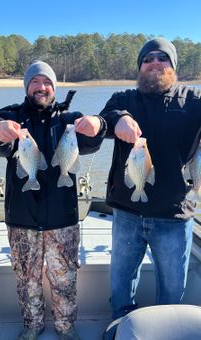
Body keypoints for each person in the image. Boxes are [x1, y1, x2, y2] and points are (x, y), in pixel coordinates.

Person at [0, 60, 106, 339]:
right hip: (21, 219)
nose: (42, 87)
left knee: (64, 279)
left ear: (54, 87)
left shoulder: (70, 121)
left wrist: (97, 125)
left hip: (62, 218)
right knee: (26, 280)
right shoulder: (12, 118)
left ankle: (66, 327)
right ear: (27, 86)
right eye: (35, 82)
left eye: (47, 82)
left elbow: (94, 141)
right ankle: (32, 326)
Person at [99, 37, 201, 322]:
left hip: (176, 214)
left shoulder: (194, 101)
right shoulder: (124, 99)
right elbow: (103, 119)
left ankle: (165, 327)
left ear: (173, 65)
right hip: (127, 212)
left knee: (171, 290)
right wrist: (118, 118)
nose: (154, 63)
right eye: (147, 59)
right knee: (121, 282)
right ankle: (120, 323)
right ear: (140, 68)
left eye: (162, 58)